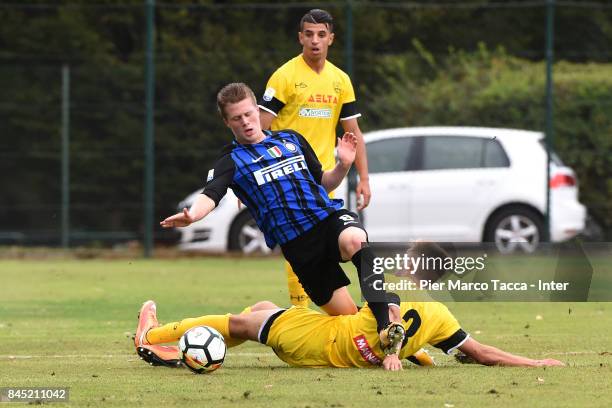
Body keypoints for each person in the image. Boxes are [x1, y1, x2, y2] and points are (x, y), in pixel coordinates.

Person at [159, 82, 400, 353]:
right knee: (349, 320)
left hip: (327, 220)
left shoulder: (291, 139)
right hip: (299, 248)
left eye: (249, 114)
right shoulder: (231, 159)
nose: (247, 122)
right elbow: (211, 194)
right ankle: (393, 319)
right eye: (237, 118)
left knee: (356, 240)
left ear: (256, 110)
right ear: (227, 122)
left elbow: (323, 181)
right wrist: (193, 215)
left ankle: (385, 325)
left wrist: (343, 164)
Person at [258, 9, 370, 308]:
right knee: (297, 239)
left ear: (331, 38)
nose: (315, 40)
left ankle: (335, 312)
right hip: (287, 177)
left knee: (323, 244)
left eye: (321, 34)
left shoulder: (340, 80)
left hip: (324, 179)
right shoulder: (284, 77)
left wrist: (364, 180)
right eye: (309, 34)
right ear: (300, 37)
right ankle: (300, 311)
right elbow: (258, 128)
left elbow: (353, 132)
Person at [134, 298, 565, 371]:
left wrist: (404, 351)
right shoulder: (442, 322)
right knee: (260, 313)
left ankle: (151, 336)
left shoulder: (392, 295)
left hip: (314, 338)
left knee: (240, 323)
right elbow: (483, 353)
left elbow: (390, 312)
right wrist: (534, 362)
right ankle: (178, 346)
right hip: (319, 351)